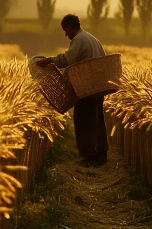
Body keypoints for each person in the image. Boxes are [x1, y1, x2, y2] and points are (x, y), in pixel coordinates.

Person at [36, 13, 108, 167]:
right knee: (97, 120)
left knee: (83, 121)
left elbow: (67, 59)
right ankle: (102, 154)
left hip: (86, 88)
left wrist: (49, 60)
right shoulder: (92, 38)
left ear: (70, 27)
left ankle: (89, 157)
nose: (65, 34)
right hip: (98, 85)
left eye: (65, 30)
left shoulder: (79, 40)